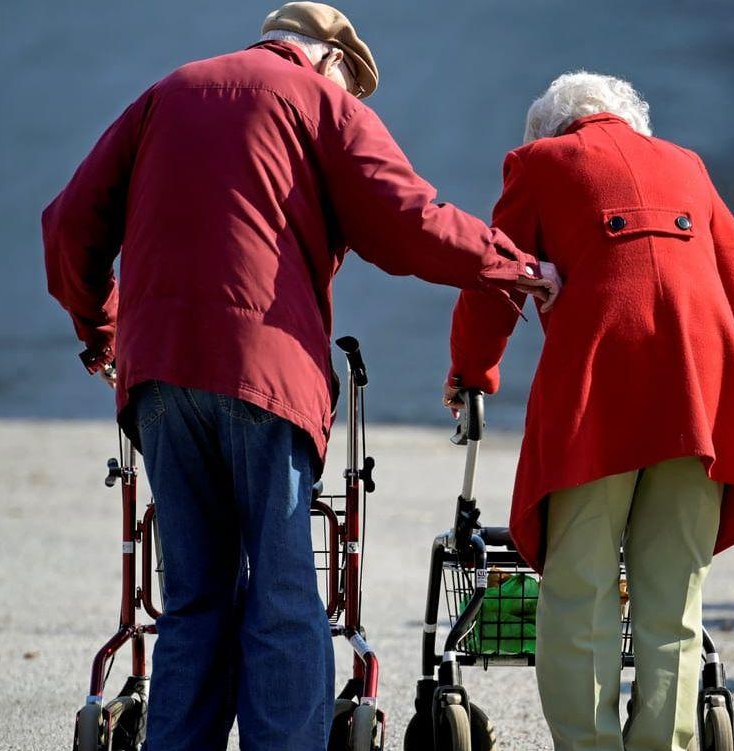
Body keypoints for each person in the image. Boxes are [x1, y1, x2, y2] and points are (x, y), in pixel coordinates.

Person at [42, 3, 559, 749]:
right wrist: (515, 267)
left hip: (156, 377)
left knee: (192, 601)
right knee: (285, 599)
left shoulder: (169, 90)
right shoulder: (318, 101)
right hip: (264, 372)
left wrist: (102, 333)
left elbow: (68, 224)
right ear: (329, 62)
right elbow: (407, 217)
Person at [445, 72, 734, 751]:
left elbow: (495, 277)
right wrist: (702, 364)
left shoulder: (538, 163)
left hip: (597, 402)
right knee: (673, 601)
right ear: (630, 120)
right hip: (700, 405)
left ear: (549, 129)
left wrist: (472, 373)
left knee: (580, 591)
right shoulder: (685, 164)